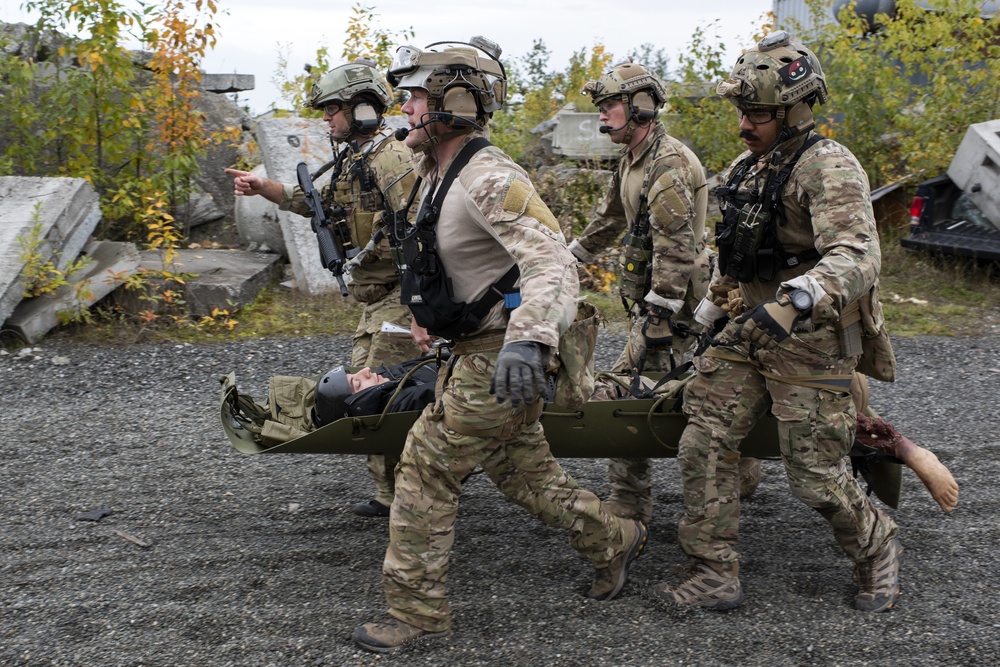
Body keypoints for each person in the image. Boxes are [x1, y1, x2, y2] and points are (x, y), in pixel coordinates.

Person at [350, 37, 647, 653]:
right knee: (526, 477)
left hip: (501, 359)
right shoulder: (434, 176)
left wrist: (529, 340)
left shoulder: (488, 177)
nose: (403, 109)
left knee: (427, 466)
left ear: (454, 103)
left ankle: (416, 612)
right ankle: (616, 540)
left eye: (414, 98)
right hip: (472, 352)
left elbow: (554, 267)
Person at [648, 31, 903, 613]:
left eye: (758, 113)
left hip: (812, 334)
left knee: (814, 474)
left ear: (797, 108)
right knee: (703, 444)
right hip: (751, 329)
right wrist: (709, 312)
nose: (744, 124)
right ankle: (714, 569)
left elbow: (858, 255)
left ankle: (876, 543)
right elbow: (738, 258)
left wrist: (797, 300)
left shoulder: (827, 165)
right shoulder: (745, 168)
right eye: (743, 110)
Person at [224, 60, 419, 518]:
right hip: (372, 301)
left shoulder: (393, 158)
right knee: (364, 397)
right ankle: (390, 493)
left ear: (364, 108)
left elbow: (419, 230)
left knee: (382, 399)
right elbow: (310, 201)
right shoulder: (354, 160)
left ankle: (409, 496)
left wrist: (418, 301)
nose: (327, 118)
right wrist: (263, 187)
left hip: (400, 296)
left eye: (333, 109)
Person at [570, 59, 738, 524]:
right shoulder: (633, 159)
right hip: (665, 302)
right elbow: (609, 219)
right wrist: (570, 258)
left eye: (608, 106)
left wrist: (659, 315)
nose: (602, 116)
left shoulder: (668, 165)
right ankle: (742, 469)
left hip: (682, 305)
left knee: (630, 393)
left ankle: (629, 501)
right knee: (688, 388)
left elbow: (677, 246)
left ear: (639, 108)